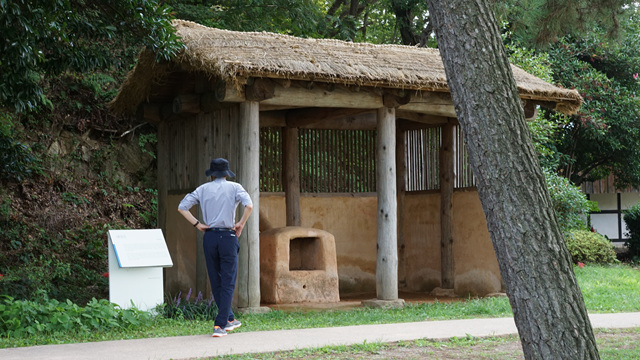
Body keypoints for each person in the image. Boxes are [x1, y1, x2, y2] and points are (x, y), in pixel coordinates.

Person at [177, 158, 253, 338]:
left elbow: (182, 207)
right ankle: (220, 325)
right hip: (228, 236)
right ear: (227, 173)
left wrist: (198, 225)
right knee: (228, 280)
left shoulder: (202, 189)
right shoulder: (235, 187)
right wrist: (241, 223)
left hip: (209, 237)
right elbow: (249, 205)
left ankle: (230, 318)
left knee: (216, 279)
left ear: (211, 174)